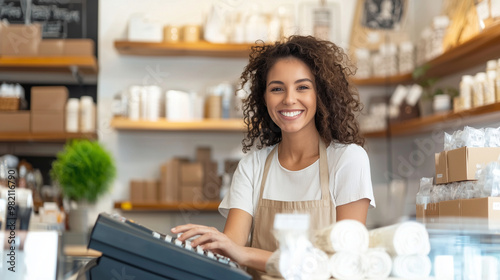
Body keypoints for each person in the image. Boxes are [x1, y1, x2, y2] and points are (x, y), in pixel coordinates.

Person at [172, 35, 375, 278]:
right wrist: (208, 245)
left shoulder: (348, 160)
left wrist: (245, 253)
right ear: (264, 97)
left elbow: (346, 259)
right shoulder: (252, 166)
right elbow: (230, 250)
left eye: (302, 87)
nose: (289, 99)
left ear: (320, 94)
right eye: (277, 88)